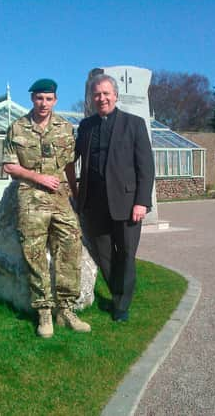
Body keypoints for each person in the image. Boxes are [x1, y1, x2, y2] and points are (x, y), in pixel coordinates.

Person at [2, 78, 90, 338]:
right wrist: (38, 177)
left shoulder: (65, 127)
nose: (43, 103)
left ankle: (66, 309)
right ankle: (44, 312)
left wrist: (75, 196)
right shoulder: (17, 128)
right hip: (31, 196)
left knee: (72, 243)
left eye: (48, 98)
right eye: (39, 98)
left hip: (60, 196)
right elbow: (9, 166)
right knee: (34, 251)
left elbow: (70, 166)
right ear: (32, 99)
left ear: (55, 100)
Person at [67, 74, 155, 322]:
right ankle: (118, 293)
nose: (102, 98)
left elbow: (146, 167)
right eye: (97, 94)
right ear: (91, 98)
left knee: (126, 254)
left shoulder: (134, 124)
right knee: (104, 255)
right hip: (94, 205)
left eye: (106, 93)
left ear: (115, 95)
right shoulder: (86, 127)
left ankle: (121, 305)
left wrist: (142, 201)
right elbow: (70, 159)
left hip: (127, 204)